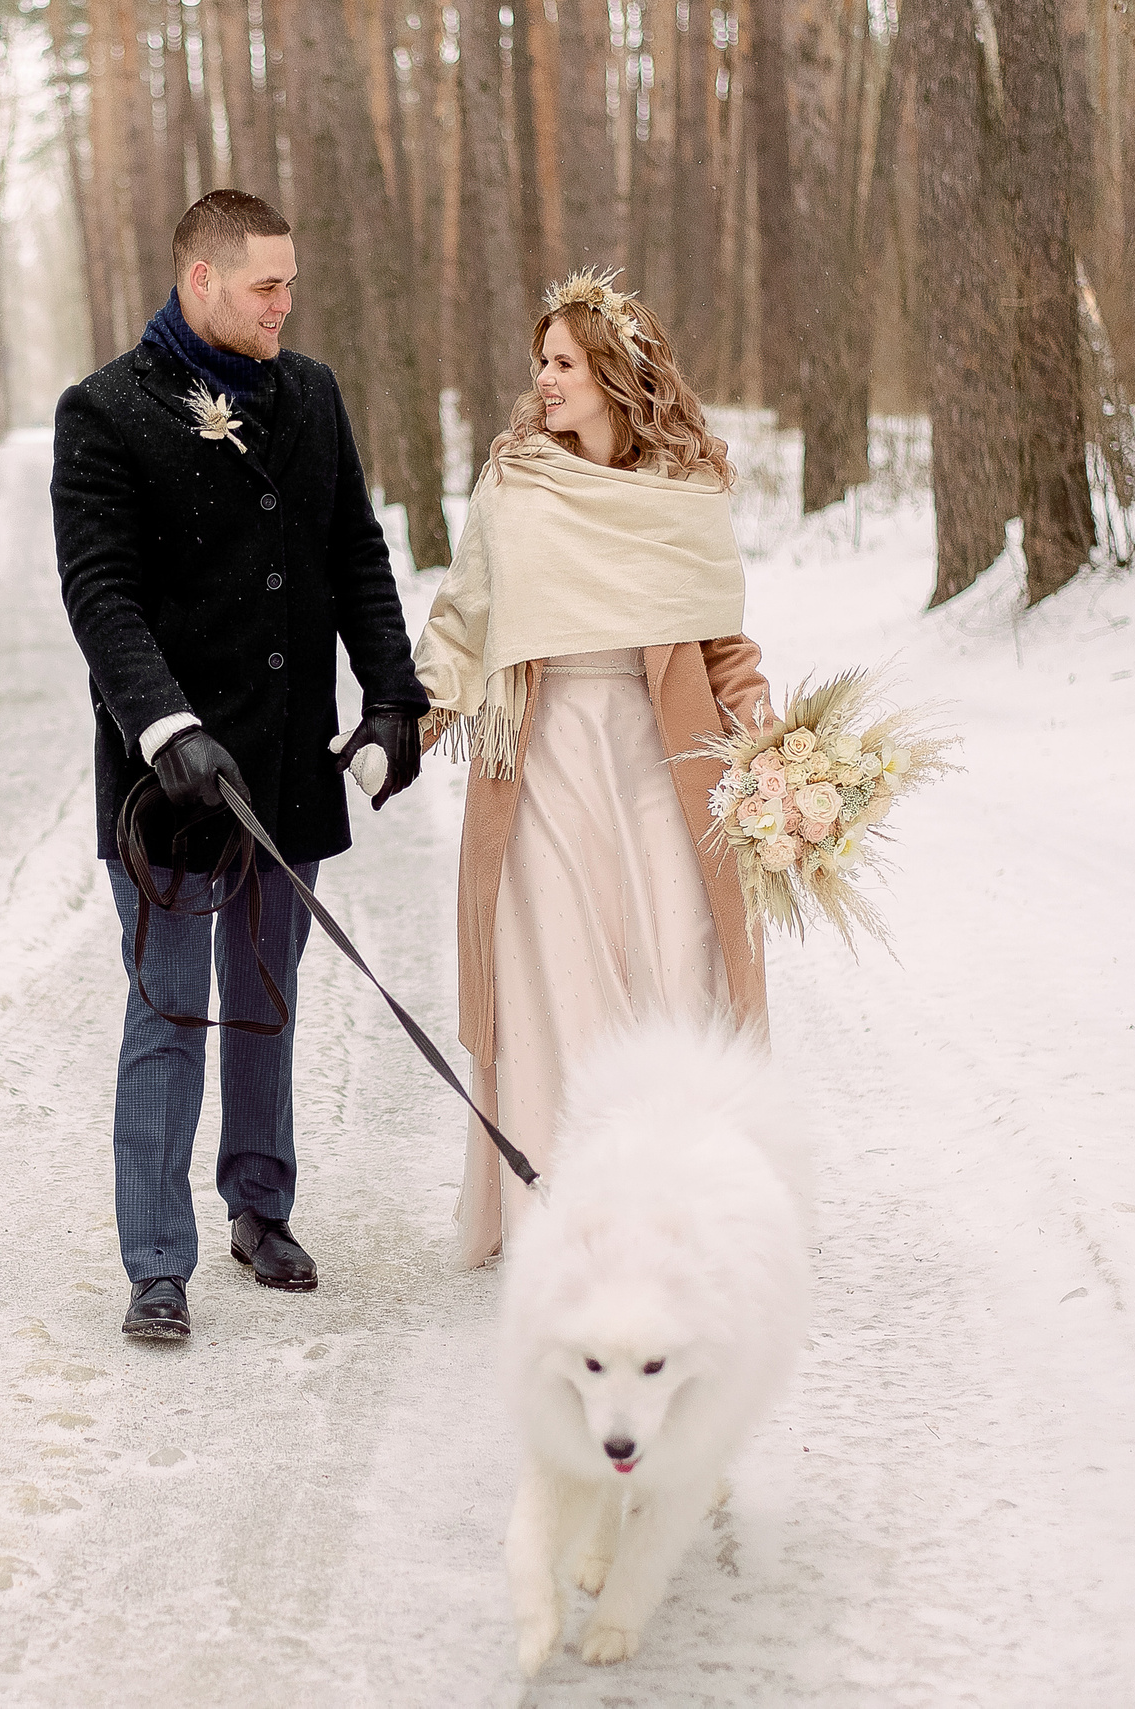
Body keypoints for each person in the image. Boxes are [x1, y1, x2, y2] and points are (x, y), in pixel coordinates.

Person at [51, 190, 428, 1340]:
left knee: (265, 997)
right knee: (169, 1007)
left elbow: (355, 552)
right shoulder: (103, 411)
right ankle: (155, 1259)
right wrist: (166, 728)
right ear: (201, 279)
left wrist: (392, 698)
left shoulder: (310, 393)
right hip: (166, 778)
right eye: (267, 285)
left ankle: (260, 1207)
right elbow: (101, 595)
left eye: (291, 284)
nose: (284, 303)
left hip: (286, 758)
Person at [414, 270, 772, 1269]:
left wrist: (772, 744)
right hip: (541, 760)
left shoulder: (684, 493)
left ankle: (679, 1207)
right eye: (541, 362)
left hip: (664, 762)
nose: (543, 379)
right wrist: (408, 725)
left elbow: (724, 646)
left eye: (563, 362)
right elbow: (463, 620)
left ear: (615, 374)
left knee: (676, 972)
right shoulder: (516, 483)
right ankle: (566, 1218)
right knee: (557, 987)